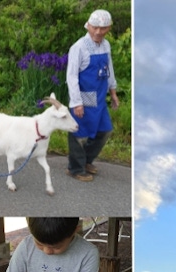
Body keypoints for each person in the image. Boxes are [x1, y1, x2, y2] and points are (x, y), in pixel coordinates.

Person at [66, 9, 120, 182]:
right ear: (88, 26)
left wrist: (113, 92)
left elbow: (109, 69)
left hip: (99, 97)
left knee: (104, 130)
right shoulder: (79, 47)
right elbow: (72, 76)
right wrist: (76, 103)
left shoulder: (106, 45)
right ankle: (75, 168)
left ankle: (86, 160)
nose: (98, 32)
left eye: (103, 28)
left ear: (108, 28)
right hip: (83, 97)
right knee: (79, 133)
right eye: (95, 27)